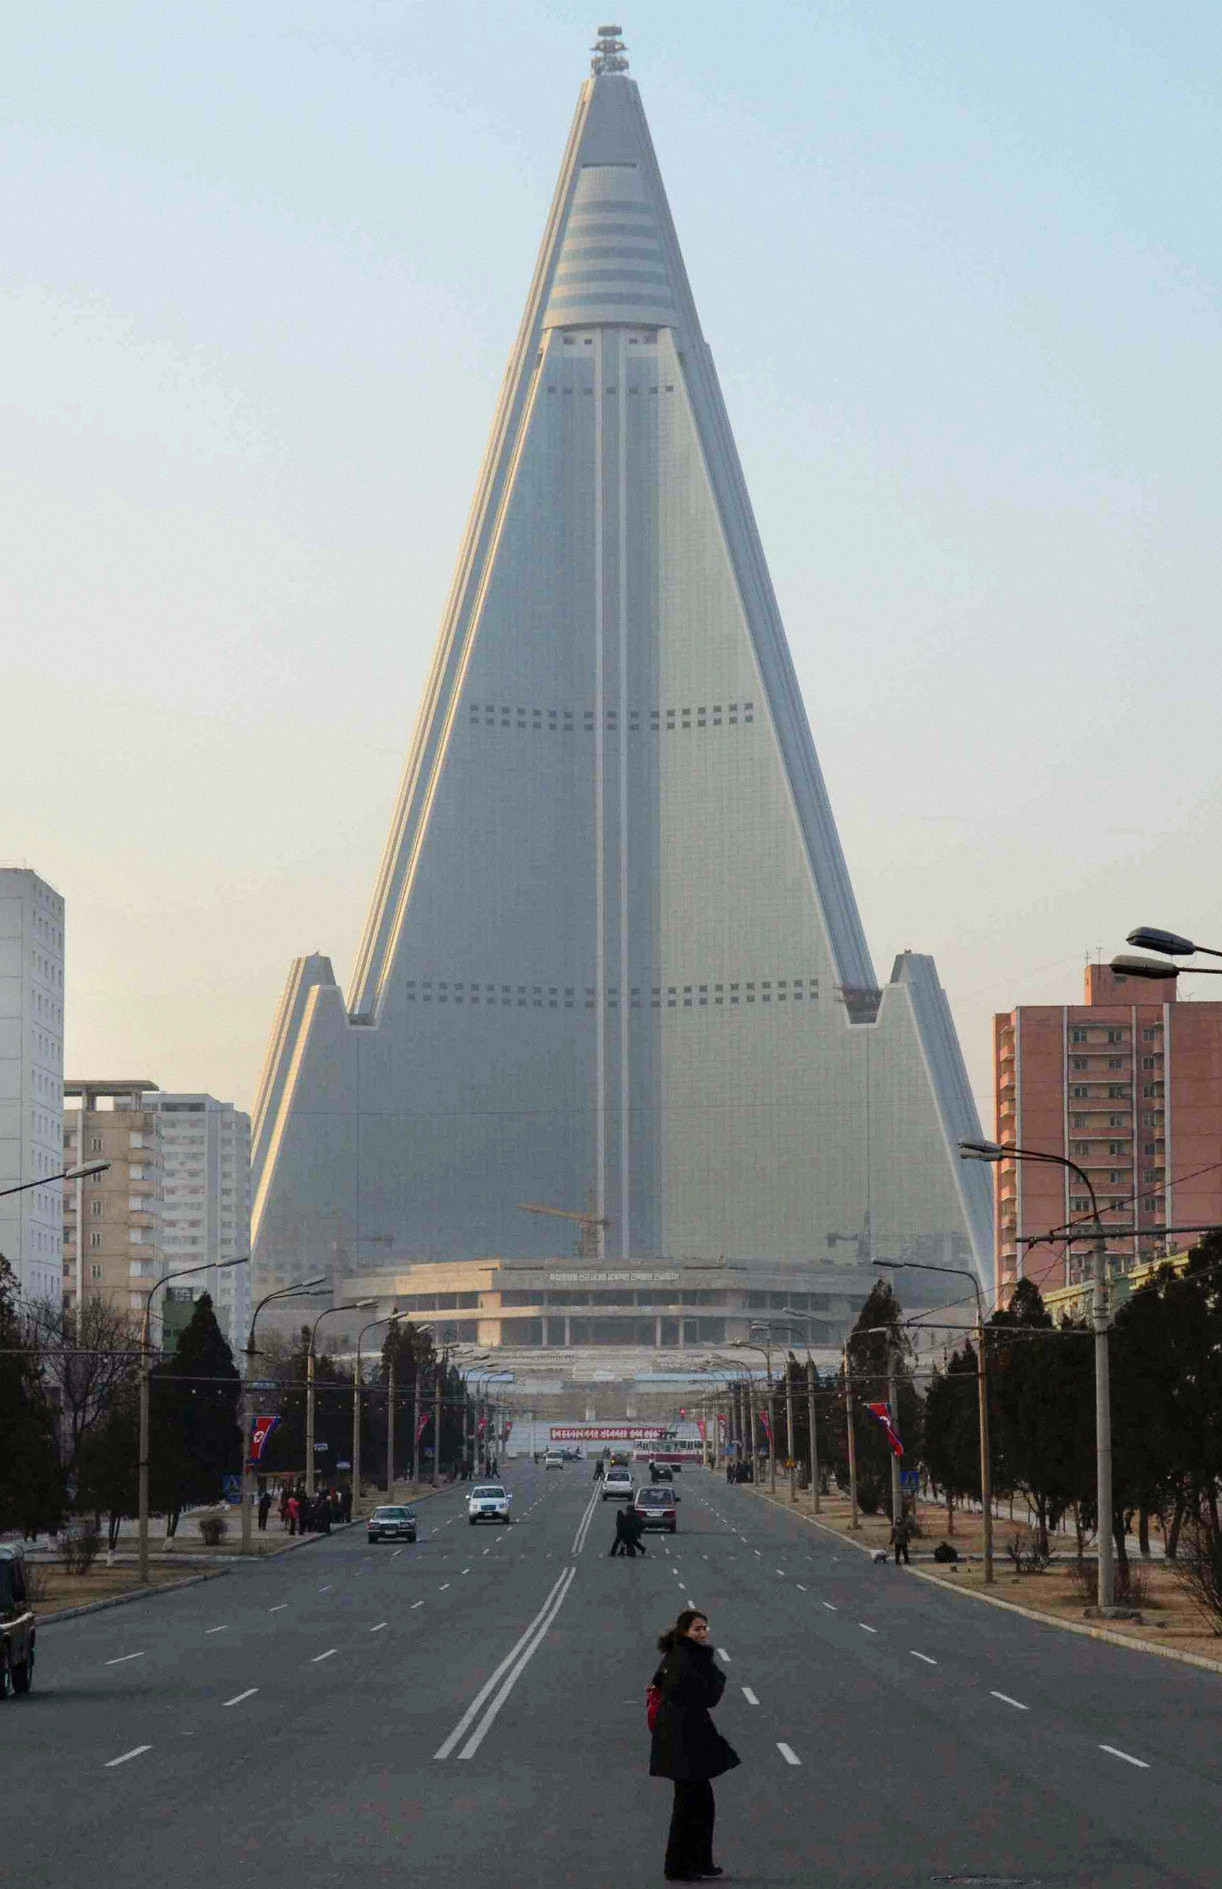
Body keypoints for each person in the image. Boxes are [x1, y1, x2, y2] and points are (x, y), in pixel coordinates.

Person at [650, 1608, 739, 1882]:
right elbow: (708, 1696)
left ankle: (699, 1861)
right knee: (689, 1803)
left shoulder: (675, 1655)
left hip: (679, 1734)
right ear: (684, 1632)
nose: (703, 1632)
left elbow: (658, 1683)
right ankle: (678, 1866)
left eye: (705, 1627)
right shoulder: (689, 1659)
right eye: (697, 1628)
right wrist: (718, 1677)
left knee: (698, 1801)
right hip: (683, 1737)